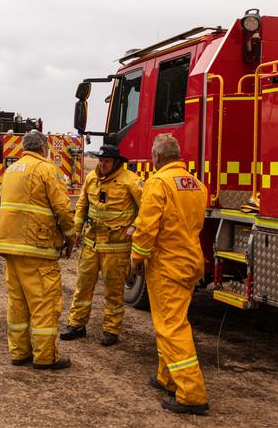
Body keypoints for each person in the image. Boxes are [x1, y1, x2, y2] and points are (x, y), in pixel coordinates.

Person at [131, 134, 209, 415]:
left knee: (171, 327)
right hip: (189, 261)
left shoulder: (158, 183)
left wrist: (136, 257)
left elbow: (147, 226)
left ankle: (191, 393)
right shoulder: (197, 184)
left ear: (158, 157)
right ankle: (167, 376)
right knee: (172, 320)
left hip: (167, 265)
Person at [0, 131, 76, 370]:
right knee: (43, 304)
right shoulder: (47, 170)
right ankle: (45, 357)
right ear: (43, 148)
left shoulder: (11, 170)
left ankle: (19, 353)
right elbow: (62, 208)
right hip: (36, 247)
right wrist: (70, 237)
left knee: (17, 304)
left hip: (10, 245)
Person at [60, 145, 143, 346]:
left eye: (106, 161)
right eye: (100, 160)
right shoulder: (91, 178)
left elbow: (147, 208)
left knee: (114, 291)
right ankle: (76, 325)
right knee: (82, 287)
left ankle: (111, 330)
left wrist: (135, 226)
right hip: (91, 245)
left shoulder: (131, 180)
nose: (102, 164)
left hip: (116, 247)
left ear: (116, 162)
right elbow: (81, 205)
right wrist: (77, 229)